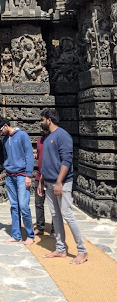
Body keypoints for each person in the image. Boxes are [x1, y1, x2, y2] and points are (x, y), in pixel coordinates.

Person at [38, 109, 88, 264]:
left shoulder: (63, 136)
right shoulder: (47, 138)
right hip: (49, 183)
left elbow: (66, 161)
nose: (41, 122)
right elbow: (47, 162)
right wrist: (41, 181)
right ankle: (60, 248)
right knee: (55, 216)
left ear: (49, 120)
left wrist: (59, 182)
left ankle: (82, 251)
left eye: (42, 119)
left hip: (62, 183)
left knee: (67, 214)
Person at [0, 116, 35, 245]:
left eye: (0, 130)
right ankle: (16, 234)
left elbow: (29, 155)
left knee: (23, 206)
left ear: (6, 126)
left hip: (22, 175)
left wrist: (29, 175)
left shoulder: (22, 136)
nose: (0, 134)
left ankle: (30, 234)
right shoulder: (5, 139)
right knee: (14, 206)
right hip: (10, 176)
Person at [34, 120, 54, 236]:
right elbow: (39, 154)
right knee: (38, 203)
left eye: (44, 128)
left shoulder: (52, 140)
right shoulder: (39, 140)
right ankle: (40, 227)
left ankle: (55, 229)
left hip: (50, 176)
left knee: (54, 205)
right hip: (39, 174)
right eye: (41, 128)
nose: (41, 130)